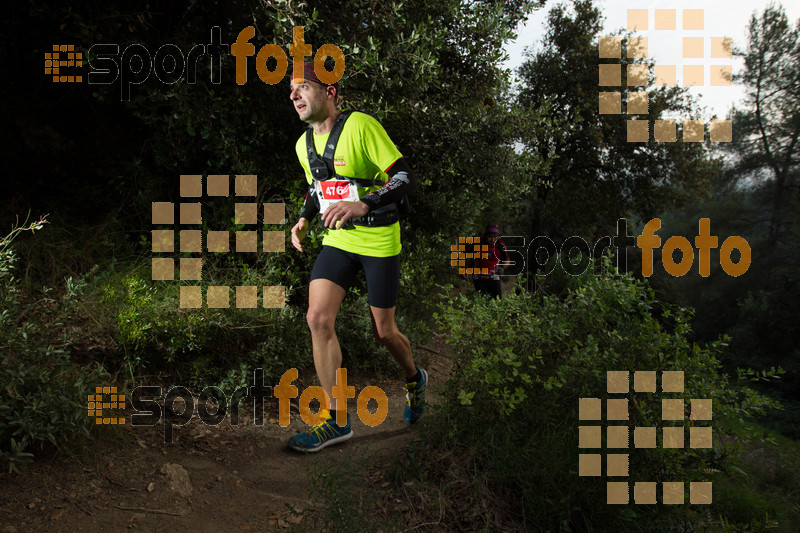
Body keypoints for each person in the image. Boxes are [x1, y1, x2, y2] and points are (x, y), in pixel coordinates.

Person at [287, 63, 427, 453]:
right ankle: (336, 422)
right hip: (338, 241)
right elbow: (318, 188)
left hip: (380, 240)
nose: (295, 96)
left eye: (303, 87)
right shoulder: (303, 145)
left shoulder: (362, 126)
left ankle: (414, 378)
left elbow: (403, 177)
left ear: (329, 92)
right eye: (291, 91)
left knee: (384, 331)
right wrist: (302, 218)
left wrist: (365, 203)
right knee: (317, 318)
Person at [472, 224, 509, 299]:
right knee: (483, 302)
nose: (492, 240)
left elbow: (507, 259)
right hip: (479, 278)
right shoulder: (477, 242)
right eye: (490, 237)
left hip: (494, 277)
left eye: (495, 237)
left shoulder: (500, 245)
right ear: (485, 235)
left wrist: (503, 268)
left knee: (497, 302)